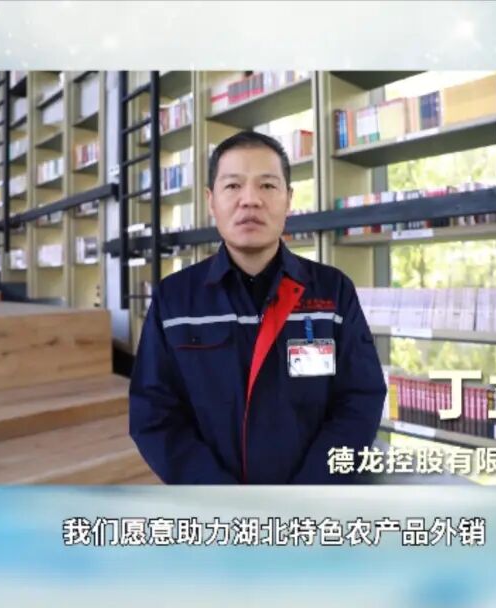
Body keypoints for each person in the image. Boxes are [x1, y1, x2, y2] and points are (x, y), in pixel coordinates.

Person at [129, 131, 386, 484]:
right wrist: (221, 498)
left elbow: (360, 399)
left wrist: (310, 493)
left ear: (288, 199)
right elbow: (153, 413)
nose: (250, 200)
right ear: (211, 200)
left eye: (267, 185)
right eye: (233, 186)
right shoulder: (174, 299)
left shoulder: (333, 292)